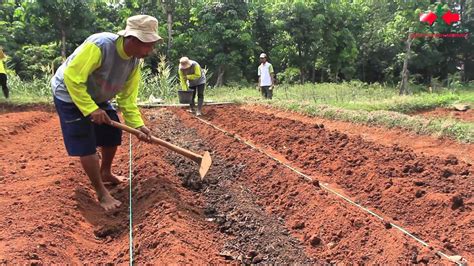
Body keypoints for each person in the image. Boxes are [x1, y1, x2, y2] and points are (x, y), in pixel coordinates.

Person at [51, 15, 162, 211]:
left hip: (97, 96)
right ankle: (101, 193)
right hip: (68, 93)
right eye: (148, 45)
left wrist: (137, 125)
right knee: (86, 144)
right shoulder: (100, 45)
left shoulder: (134, 63)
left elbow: (127, 99)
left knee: (112, 134)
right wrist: (90, 109)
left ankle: (106, 173)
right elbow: (72, 77)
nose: (150, 51)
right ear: (133, 39)